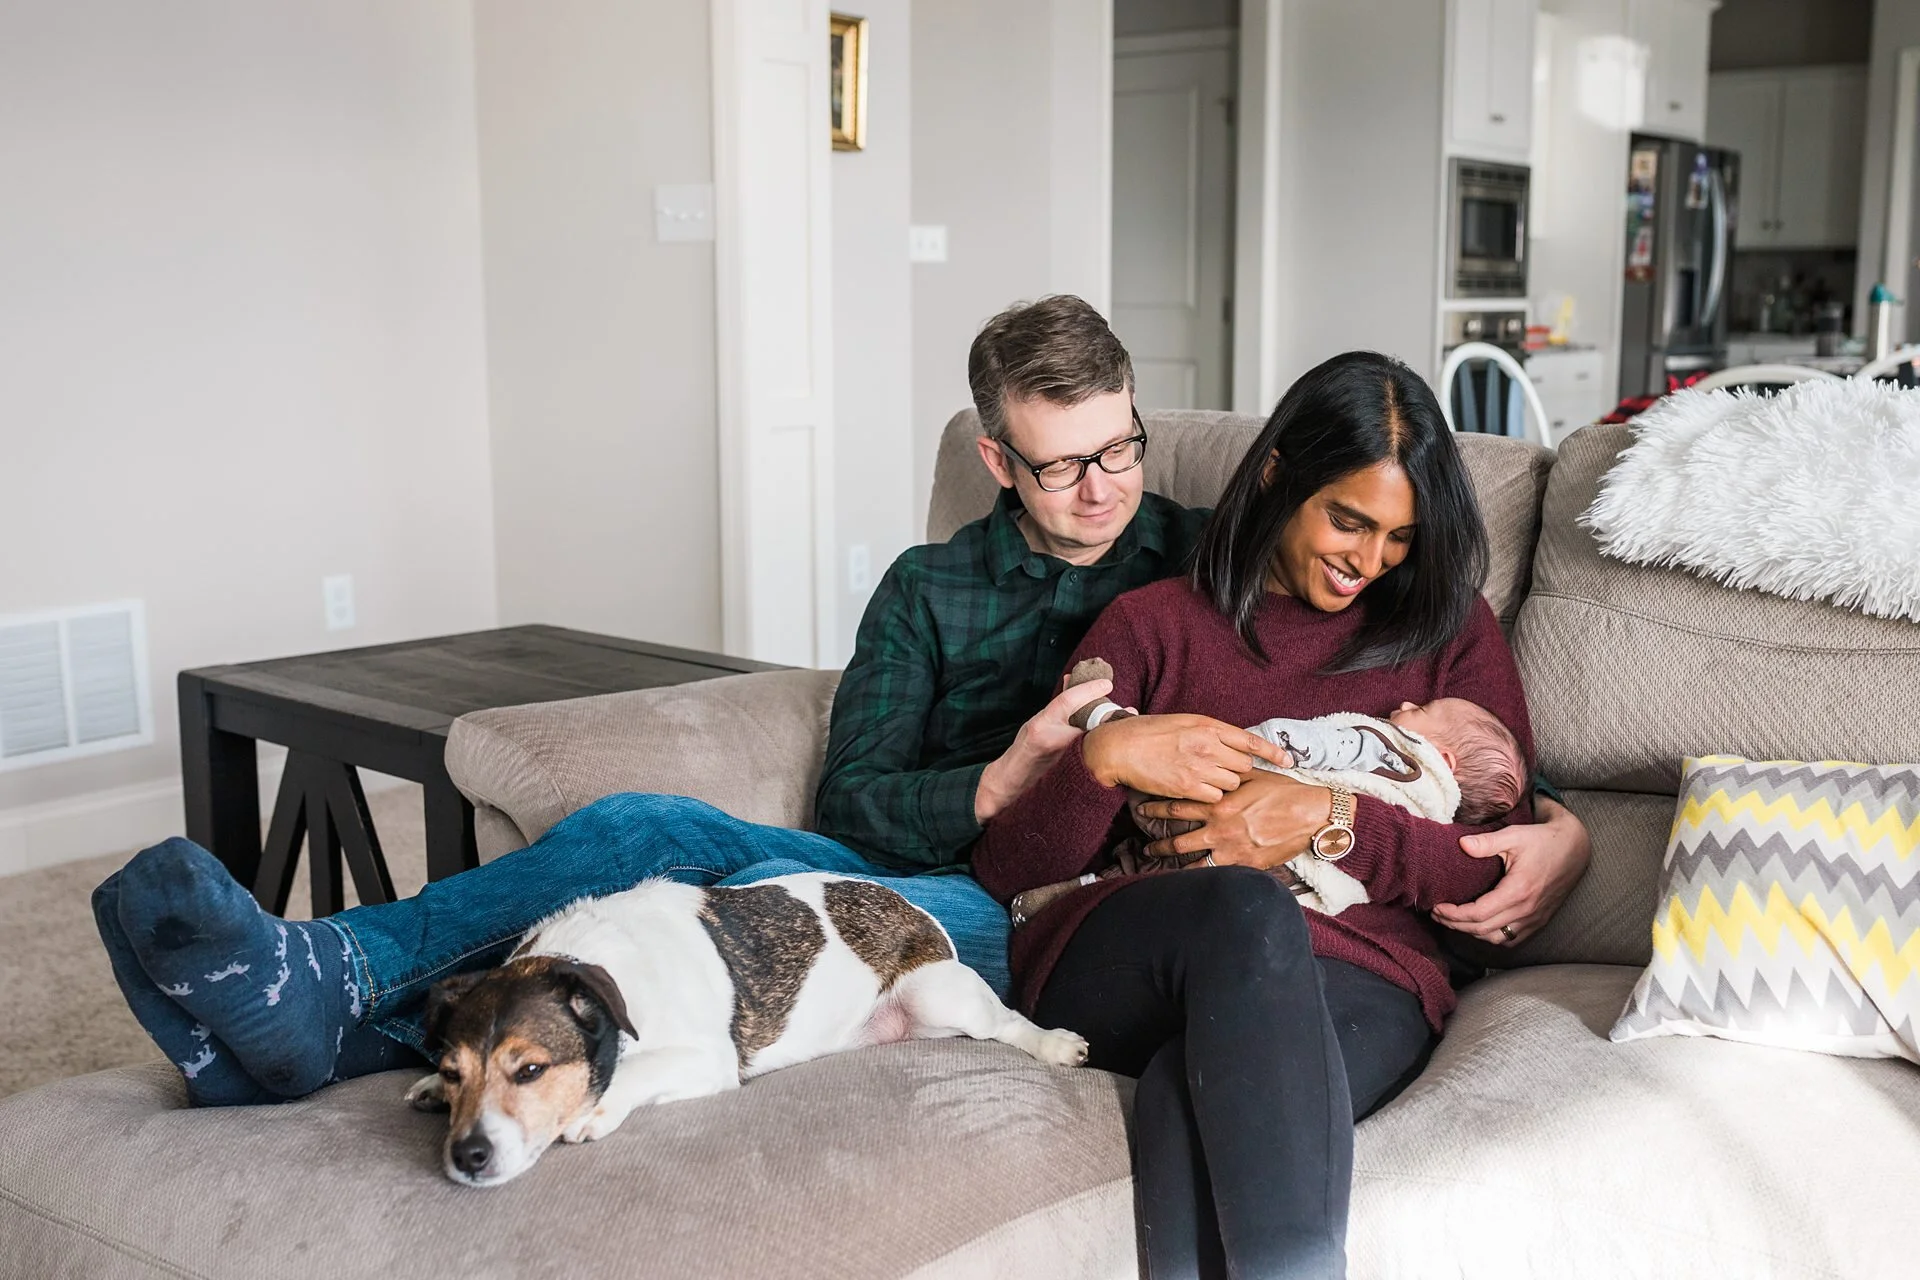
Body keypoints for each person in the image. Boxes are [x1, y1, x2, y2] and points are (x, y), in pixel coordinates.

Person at [94, 298, 1590, 1113]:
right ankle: (337, 988)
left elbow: (1406, 727)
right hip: (933, 872)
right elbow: (854, 799)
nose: (1103, 490)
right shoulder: (927, 592)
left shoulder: (1196, 564)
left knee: (658, 868)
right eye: (1063, 465)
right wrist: (1008, 777)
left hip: (1055, 913)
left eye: (1123, 450)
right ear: (995, 460)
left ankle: (330, 998)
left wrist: (1563, 829)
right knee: (645, 839)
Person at [971, 350, 1546, 1279]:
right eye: (1348, 520)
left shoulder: (1451, 634)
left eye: (1399, 537)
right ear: (1279, 475)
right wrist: (1101, 758)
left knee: (1187, 1091)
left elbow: (1495, 878)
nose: (1369, 561)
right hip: (1135, 955)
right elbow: (1010, 874)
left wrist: (1332, 818)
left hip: (1362, 975)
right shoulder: (1151, 626)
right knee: (1245, 906)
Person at [1009, 691, 1527, 922]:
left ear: (1444, 758)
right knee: (1158, 878)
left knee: (1163, 791)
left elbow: (1317, 745)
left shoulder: (1394, 748)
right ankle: (1082, 892)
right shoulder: (1435, 816)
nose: (1407, 705)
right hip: (1285, 889)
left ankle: (1109, 720)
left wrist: (1255, 747)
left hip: (1233, 819)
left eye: (1424, 708)